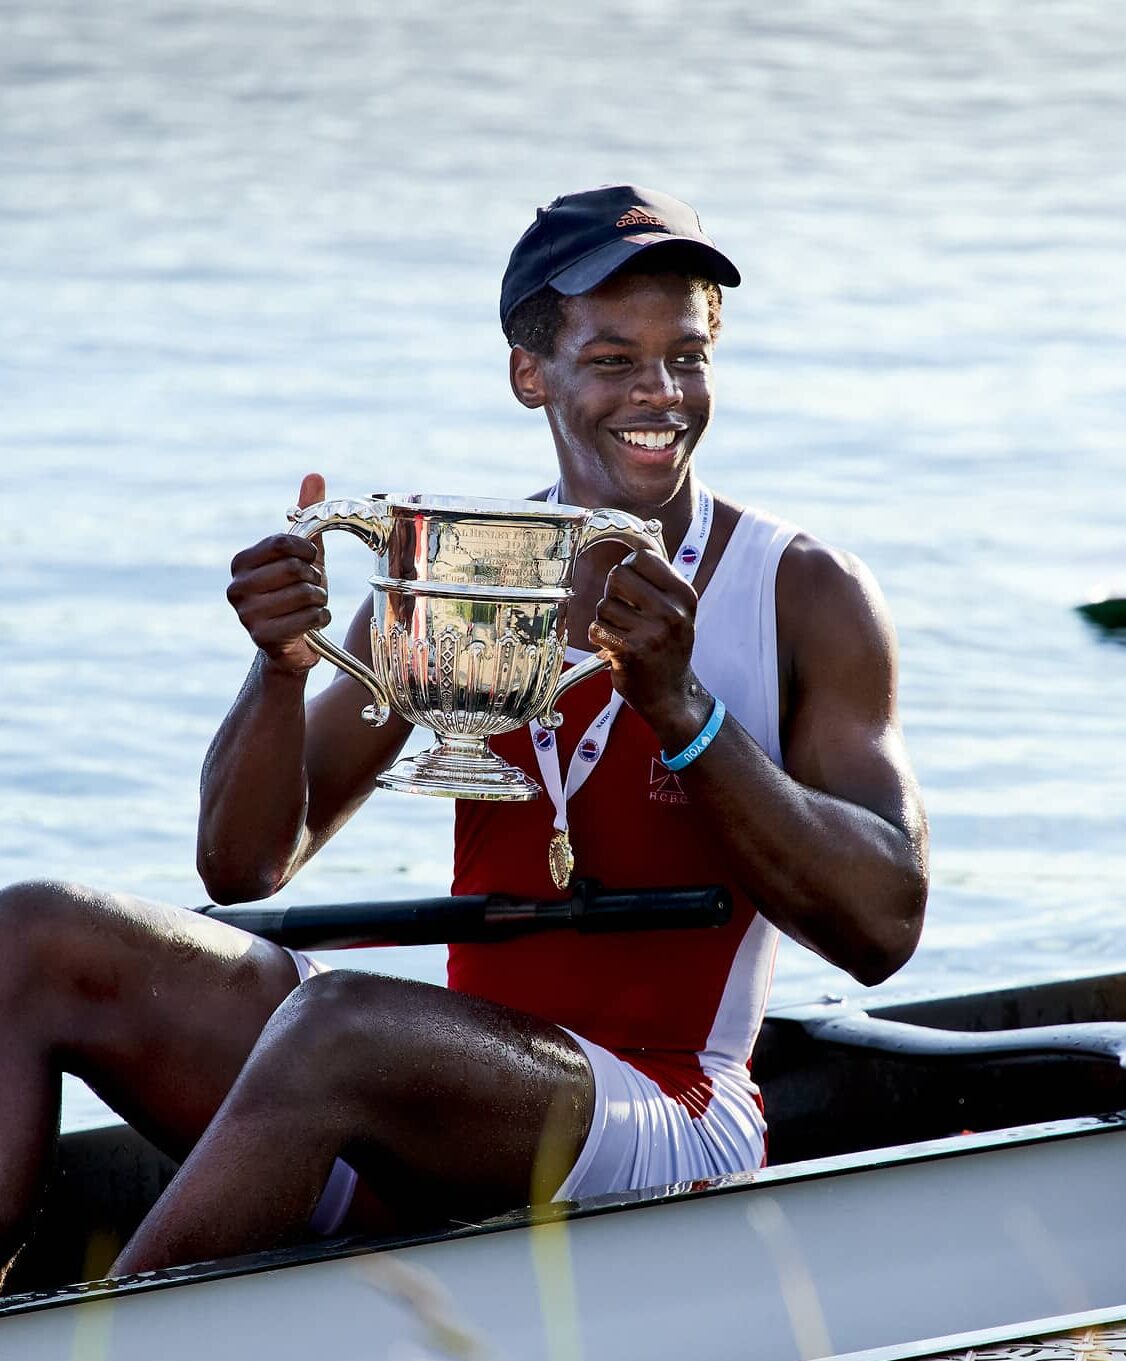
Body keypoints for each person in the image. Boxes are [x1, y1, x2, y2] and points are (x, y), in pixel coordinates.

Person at [0, 186, 928, 1282]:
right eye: (612, 358)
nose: (659, 393)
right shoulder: (460, 576)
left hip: (673, 1116)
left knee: (340, 1018)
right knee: (35, 932)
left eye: (686, 357)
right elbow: (242, 862)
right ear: (529, 374)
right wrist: (278, 668)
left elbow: (884, 926)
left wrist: (681, 706)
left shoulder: (801, 591)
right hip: (442, 1101)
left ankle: (108, 1339)